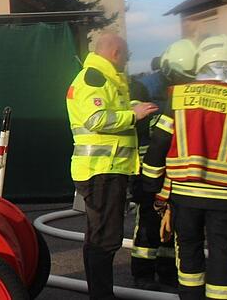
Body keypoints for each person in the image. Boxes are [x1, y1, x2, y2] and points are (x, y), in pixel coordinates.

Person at [142, 35, 227, 300]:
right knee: (223, 254)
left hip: (185, 195)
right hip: (226, 196)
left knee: (188, 253)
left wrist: (152, 187)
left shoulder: (179, 96)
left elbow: (159, 144)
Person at [66, 32, 158, 300]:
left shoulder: (105, 78)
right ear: (116, 53)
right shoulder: (95, 78)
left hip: (104, 170)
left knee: (99, 237)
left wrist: (133, 106)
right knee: (104, 240)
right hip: (102, 170)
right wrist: (132, 115)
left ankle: (100, 293)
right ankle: (102, 295)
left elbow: (109, 109)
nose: (127, 60)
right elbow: (96, 118)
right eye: (127, 55)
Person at [128, 39, 196, 291]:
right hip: (148, 165)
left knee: (173, 220)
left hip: (176, 166)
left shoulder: (188, 87)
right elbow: (137, 124)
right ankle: (143, 272)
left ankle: (167, 271)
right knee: (148, 220)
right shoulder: (143, 87)